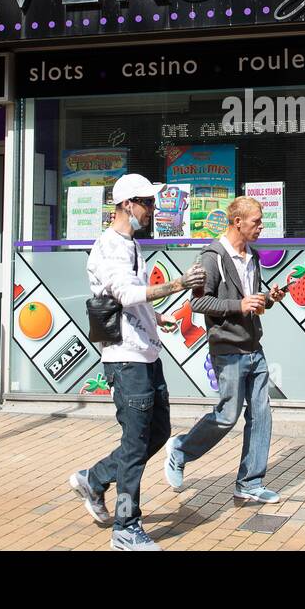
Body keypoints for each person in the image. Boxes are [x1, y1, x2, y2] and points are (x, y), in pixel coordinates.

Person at [68, 173, 205, 551]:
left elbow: (129, 299)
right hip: (126, 360)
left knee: (157, 432)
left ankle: (94, 479)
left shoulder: (129, 244)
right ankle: (126, 527)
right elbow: (125, 293)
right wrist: (177, 285)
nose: (153, 209)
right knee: (135, 442)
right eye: (147, 202)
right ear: (127, 204)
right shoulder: (111, 246)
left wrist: (154, 317)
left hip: (144, 352)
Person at [163, 196, 286, 503]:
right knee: (227, 415)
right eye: (256, 221)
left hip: (254, 347)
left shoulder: (251, 257)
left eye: (261, 221)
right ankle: (180, 448)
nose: (261, 227)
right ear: (238, 223)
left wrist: (268, 298)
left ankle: (249, 483)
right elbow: (199, 302)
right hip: (227, 349)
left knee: (261, 415)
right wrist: (240, 305)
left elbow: (251, 302)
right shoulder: (212, 258)